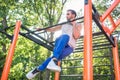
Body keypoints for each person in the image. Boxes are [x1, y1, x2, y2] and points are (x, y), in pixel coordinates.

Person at [26, 9, 82, 79]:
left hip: (70, 47)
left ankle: (37, 70)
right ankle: (54, 60)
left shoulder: (78, 24)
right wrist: (43, 29)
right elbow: (52, 29)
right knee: (65, 36)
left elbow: (76, 36)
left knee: (52, 59)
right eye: (66, 14)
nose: (66, 16)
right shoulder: (64, 24)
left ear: (73, 15)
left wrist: (74, 24)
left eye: (68, 14)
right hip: (61, 42)